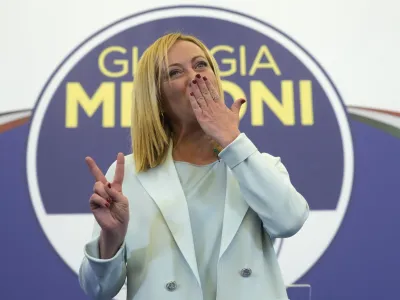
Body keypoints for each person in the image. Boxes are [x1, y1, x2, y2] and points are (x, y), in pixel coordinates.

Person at [78, 32, 309, 300]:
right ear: (156, 98)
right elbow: (98, 289)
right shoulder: (128, 175)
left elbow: (290, 221)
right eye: (175, 72)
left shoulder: (259, 165)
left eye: (201, 65)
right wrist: (112, 238)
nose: (195, 76)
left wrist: (232, 141)